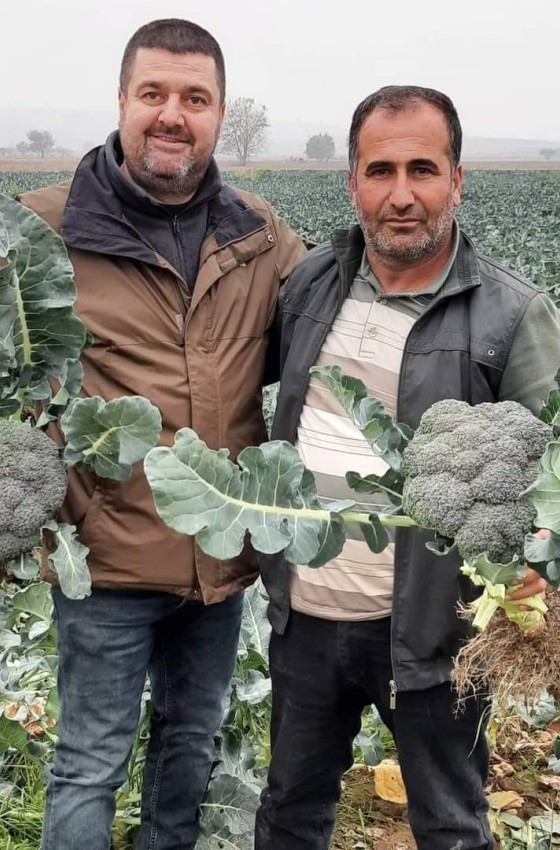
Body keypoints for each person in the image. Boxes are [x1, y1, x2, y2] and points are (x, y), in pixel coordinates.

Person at [19, 18, 305, 850]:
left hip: (219, 563)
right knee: (90, 764)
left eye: (195, 98)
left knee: (190, 748)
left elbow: (339, 331)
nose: (172, 115)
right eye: (153, 93)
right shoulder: (39, 231)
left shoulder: (261, 236)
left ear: (219, 115)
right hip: (108, 561)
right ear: (121, 102)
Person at [256, 85, 560, 850]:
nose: (400, 195)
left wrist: (537, 560)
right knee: (288, 815)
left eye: (422, 170)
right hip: (305, 621)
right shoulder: (311, 285)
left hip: (433, 637)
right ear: (351, 182)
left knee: (451, 826)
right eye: (380, 171)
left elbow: (554, 466)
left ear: (457, 180)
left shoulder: (512, 311)